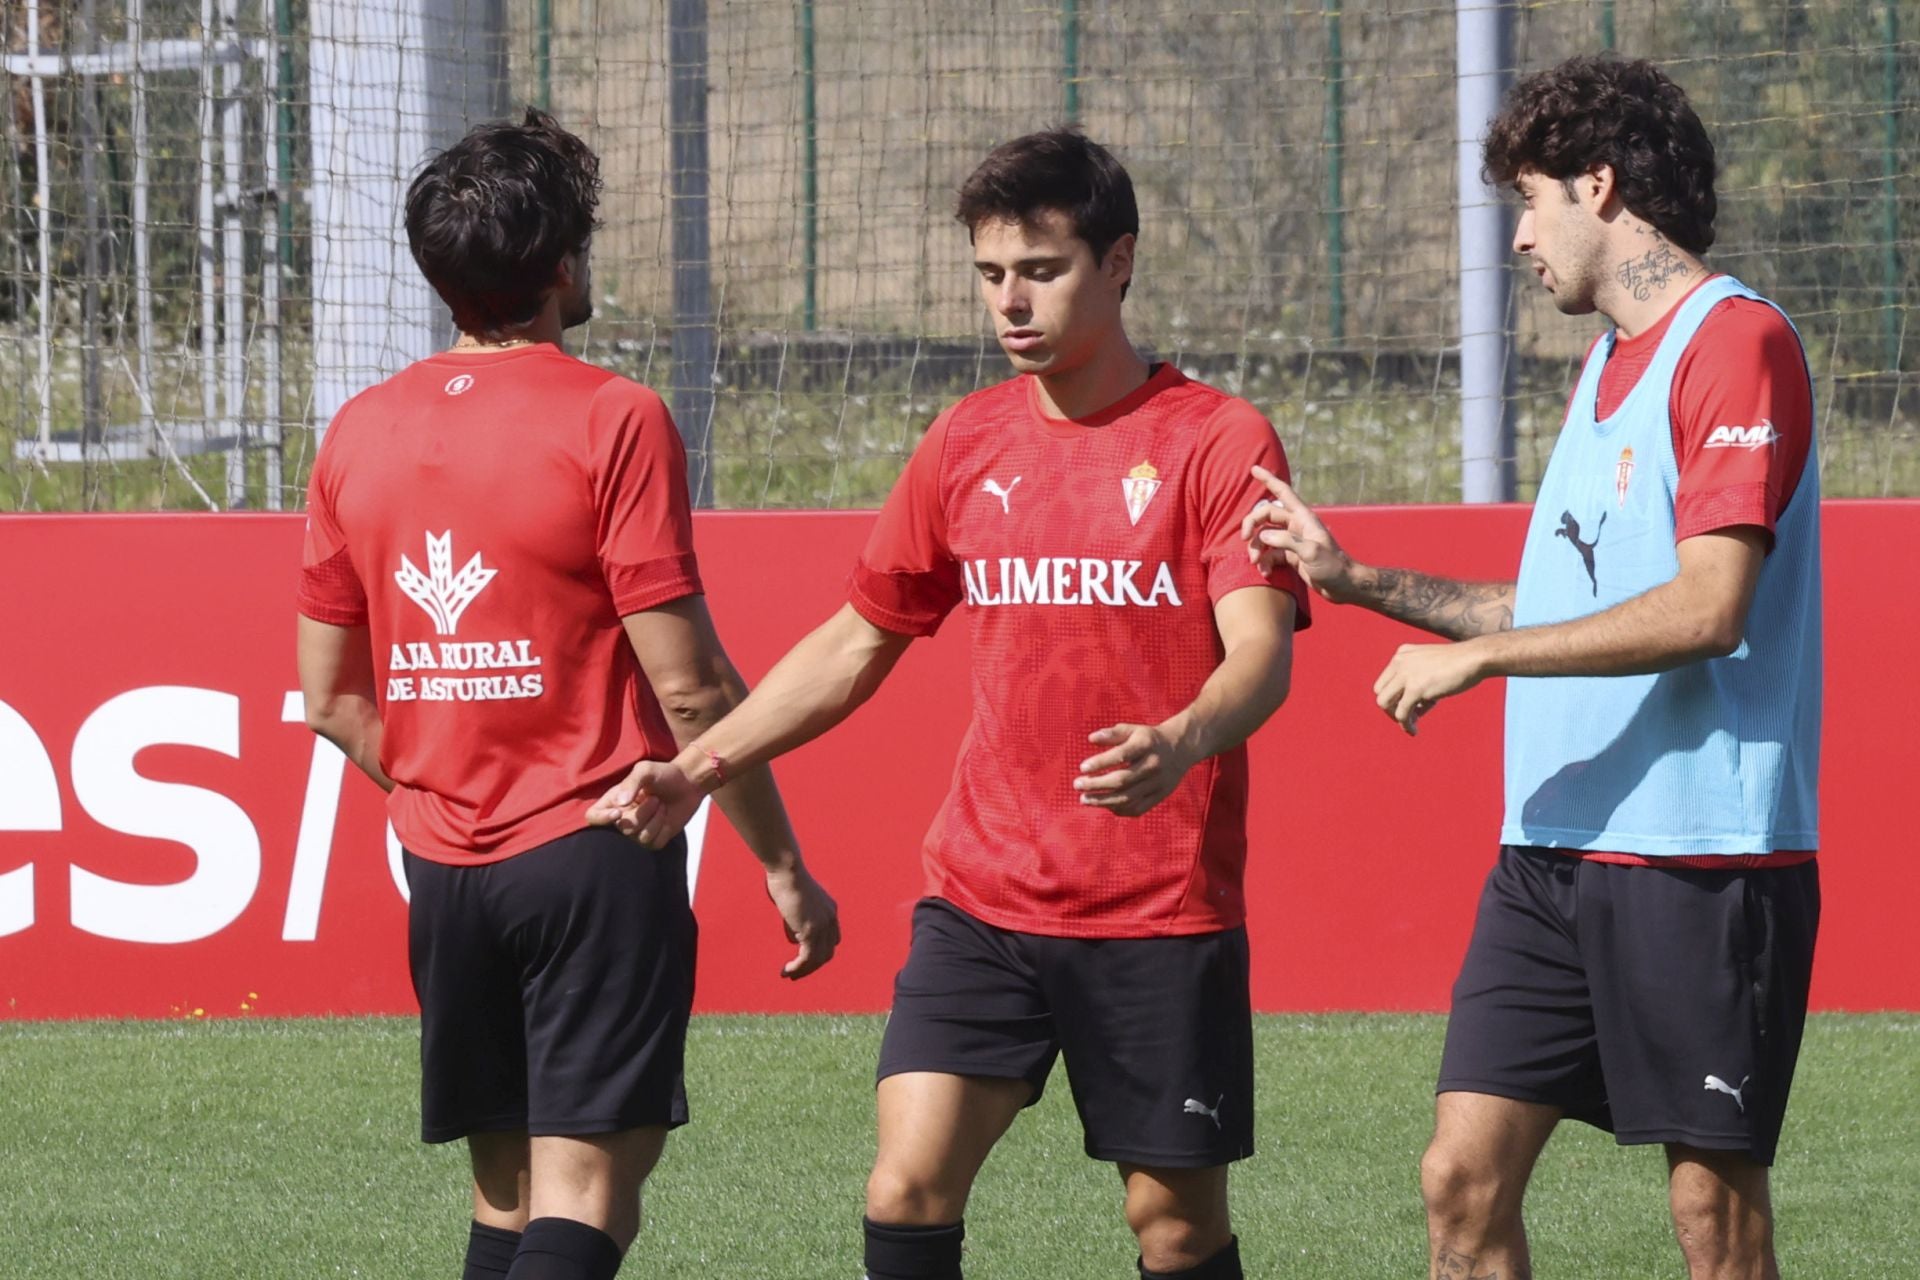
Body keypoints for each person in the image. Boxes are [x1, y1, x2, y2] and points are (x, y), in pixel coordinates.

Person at [590, 128, 1310, 1280]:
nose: (1011, 302)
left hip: (1158, 912)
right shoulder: (967, 440)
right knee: (905, 1186)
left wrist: (1183, 738)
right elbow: (856, 640)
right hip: (983, 899)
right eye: (991, 275)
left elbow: (1260, 654)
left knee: (1173, 1227)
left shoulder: (1217, 439)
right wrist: (697, 765)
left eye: (1042, 270)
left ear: (1120, 261)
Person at [1243, 55, 1819, 1280]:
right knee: (1460, 1181)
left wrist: (1484, 662)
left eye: (1529, 200)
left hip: (1698, 859)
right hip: (1549, 855)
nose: (1518, 237)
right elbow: (1566, 607)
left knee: (1713, 1222)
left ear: (1598, 186)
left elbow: (1709, 607)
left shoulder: (1737, 342)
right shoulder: (1603, 366)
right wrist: (1356, 579)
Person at [294, 108, 840, 1280]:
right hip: (594, 847)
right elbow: (691, 687)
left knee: (506, 1199)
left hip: (445, 870)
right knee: (586, 1197)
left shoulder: (357, 431)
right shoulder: (612, 416)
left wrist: (454, 789)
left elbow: (332, 699)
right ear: (560, 266)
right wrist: (783, 862)